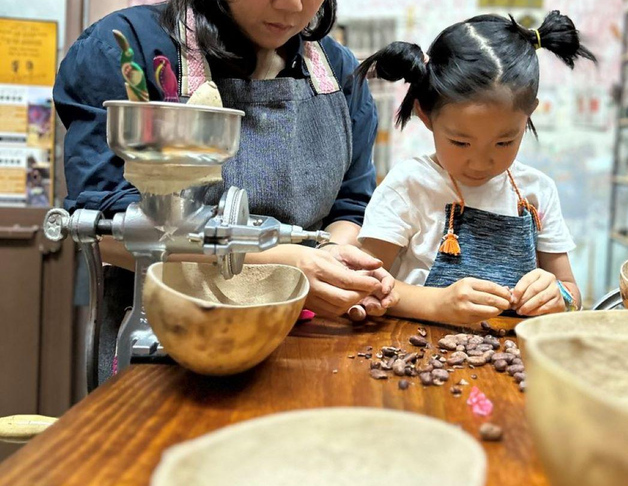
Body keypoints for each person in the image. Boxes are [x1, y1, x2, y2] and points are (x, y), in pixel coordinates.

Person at [54, 0, 396, 383]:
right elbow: (107, 230)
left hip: (305, 335)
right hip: (165, 331)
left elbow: (350, 206)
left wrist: (334, 258)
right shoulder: (128, 49)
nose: (292, 5)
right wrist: (283, 265)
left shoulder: (338, 72)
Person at [356, 11, 594, 325]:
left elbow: (571, 293)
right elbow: (361, 286)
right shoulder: (409, 186)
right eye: (460, 142)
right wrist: (436, 304)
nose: (481, 162)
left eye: (504, 142)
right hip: (417, 354)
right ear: (426, 115)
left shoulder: (537, 191)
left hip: (510, 362)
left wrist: (557, 296)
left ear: (528, 116)